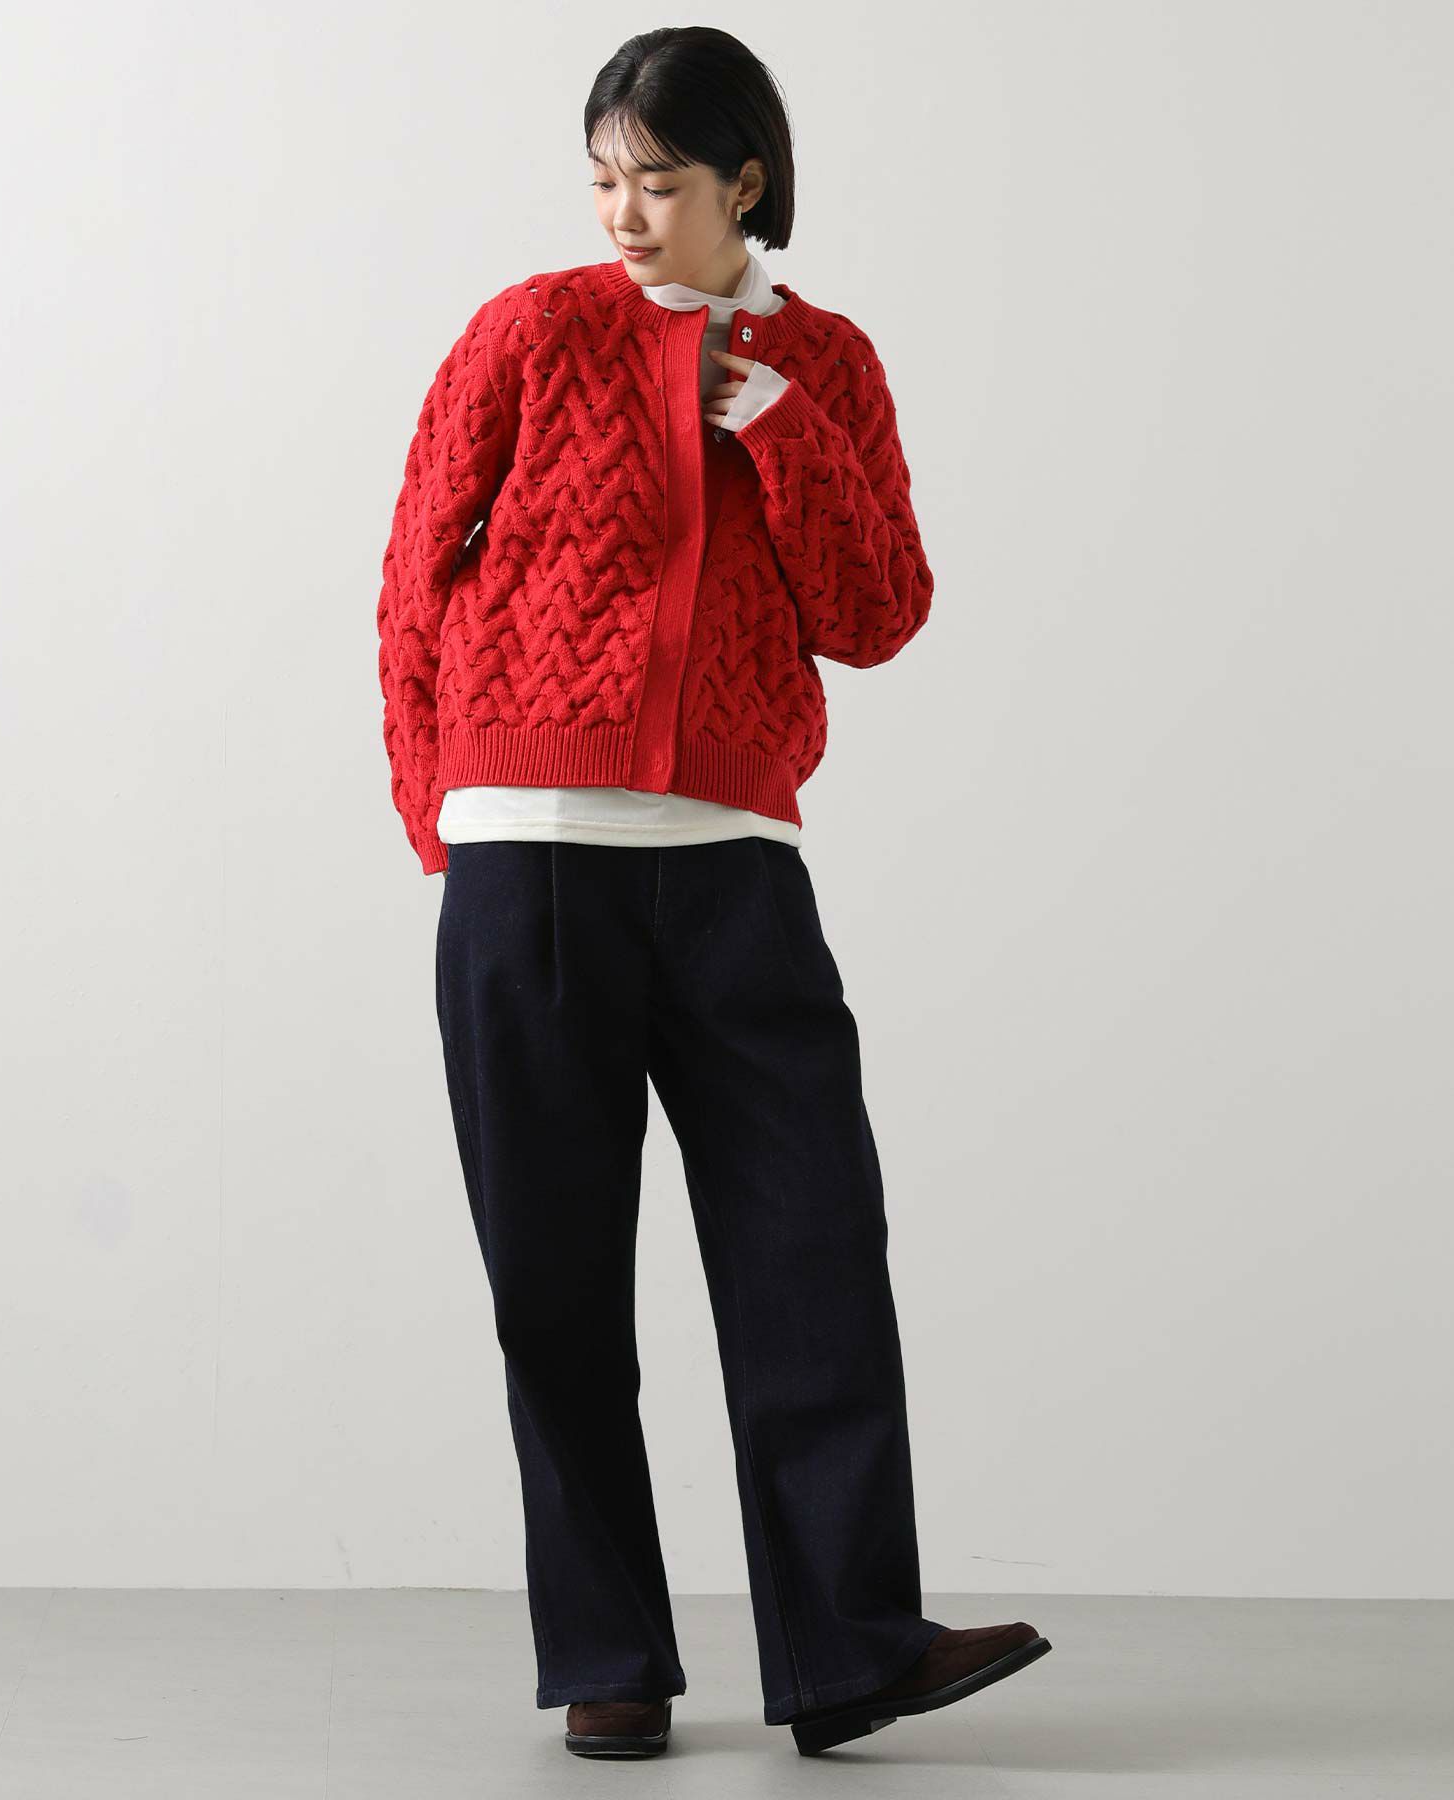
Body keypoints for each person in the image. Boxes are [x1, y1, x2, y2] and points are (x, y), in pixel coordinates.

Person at [375, 24, 1050, 1761]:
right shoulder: (532, 331)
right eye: (605, 179)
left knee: (812, 1248)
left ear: (747, 181)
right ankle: (609, 1658)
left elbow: (878, 615)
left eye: (661, 182)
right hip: (531, 857)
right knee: (555, 1285)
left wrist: (787, 435)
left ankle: (852, 1650)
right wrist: (441, 813)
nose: (625, 213)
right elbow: (415, 569)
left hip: (735, 867)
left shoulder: (826, 362)